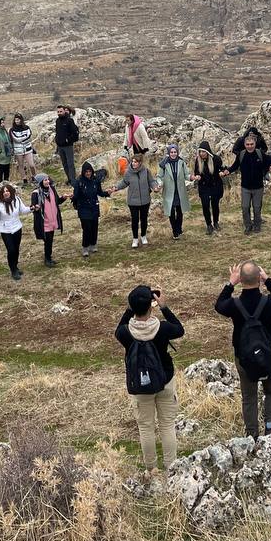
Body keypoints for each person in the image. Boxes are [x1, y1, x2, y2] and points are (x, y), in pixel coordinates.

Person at [214, 261, 271, 438]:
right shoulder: (269, 302)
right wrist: (268, 280)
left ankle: (251, 434)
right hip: (270, 352)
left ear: (241, 279)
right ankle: (270, 428)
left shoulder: (234, 305)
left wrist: (230, 284)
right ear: (259, 278)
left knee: (249, 396)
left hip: (244, 355)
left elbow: (219, 305)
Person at [115, 284, 184, 473]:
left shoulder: (125, 333)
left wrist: (131, 307)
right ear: (151, 305)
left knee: (146, 427)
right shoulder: (162, 328)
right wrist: (164, 306)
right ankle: (171, 467)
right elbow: (180, 329)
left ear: (131, 307)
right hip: (165, 380)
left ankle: (151, 469)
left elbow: (119, 327)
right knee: (167, 425)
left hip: (140, 385)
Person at [225, 133, 269, 234]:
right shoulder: (241, 154)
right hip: (245, 187)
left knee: (257, 208)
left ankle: (257, 225)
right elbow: (235, 166)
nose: (250, 146)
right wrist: (228, 171)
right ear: (244, 145)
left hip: (258, 187)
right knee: (245, 207)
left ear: (255, 144)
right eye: (248, 144)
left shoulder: (260, 153)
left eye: (251, 144)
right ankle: (248, 226)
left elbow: (268, 161)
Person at [0, 182, 33, 280]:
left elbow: (23, 210)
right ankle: (13, 270)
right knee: (11, 250)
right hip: (5, 230)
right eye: (4, 191)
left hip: (17, 228)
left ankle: (16, 267)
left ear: (11, 192)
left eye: (7, 191)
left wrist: (31, 208)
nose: (6, 193)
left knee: (16, 249)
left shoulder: (17, 200)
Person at [115, 154, 158, 248]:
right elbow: (124, 183)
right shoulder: (128, 172)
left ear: (140, 163)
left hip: (145, 200)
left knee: (144, 219)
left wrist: (155, 187)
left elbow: (151, 181)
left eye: (136, 162)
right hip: (133, 201)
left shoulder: (146, 171)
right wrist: (116, 188)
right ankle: (135, 239)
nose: (133, 163)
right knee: (135, 220)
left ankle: (143, 236)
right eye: (132, 161)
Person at [71, 161, 111, 256]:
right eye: (86, 172)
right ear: (83, 172)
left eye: (89, 171)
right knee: (86, 228)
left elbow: (100, 192)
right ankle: (85, 247)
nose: (88, 173)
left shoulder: (95, 180)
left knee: (94, 227)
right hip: (83, 208)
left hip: (94, 207)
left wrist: (108, 193)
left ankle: (93, 244)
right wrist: (72, 199)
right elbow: (75, 195)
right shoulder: (79, 182)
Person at [157, 144, 191, 240]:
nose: (173, 154)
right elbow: (159, 177)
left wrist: (192, 177)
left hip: (180, 191)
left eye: (175, 152)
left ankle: (179, 228)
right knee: (171, 212)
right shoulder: (164, 164)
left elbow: (186, 175)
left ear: (177, 152)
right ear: (168, 153)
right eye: (171, 152)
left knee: (180, 211)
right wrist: (160, 183)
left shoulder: (181, 162)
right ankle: (174, 231)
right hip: (169, 191)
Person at [191, 141, 224, 234]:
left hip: (215, 185)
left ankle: (216, 222)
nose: (201, 154)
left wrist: (222, 172)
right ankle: (209, 225)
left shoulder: (216, 159)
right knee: (205, 205)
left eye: (203, 152)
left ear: (208, 152)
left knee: (215, 205)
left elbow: (222, 168)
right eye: (200, 152)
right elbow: (196, 172)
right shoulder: (198, 161)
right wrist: (197, 176)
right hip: (204, 186)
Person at [31, 173, 64, 267]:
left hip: (52, 220)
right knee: (48, 240)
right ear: (40, 182)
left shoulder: (52, 189)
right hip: (44, 222)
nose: (47, 181)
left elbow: (57, 201)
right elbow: (33, 207)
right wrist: (35, 207)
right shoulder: (35, 193)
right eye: (45, 180)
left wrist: (63, 198)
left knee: (50, 240)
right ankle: (47, 259)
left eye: (48, 179)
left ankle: (48, 257)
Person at [55, 105, 80, 184]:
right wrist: (57, 141)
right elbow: (57, 133)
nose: (59, 113)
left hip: (68, 146)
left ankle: (73, 180)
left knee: (70, 163)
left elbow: (75, 134)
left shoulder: (69, 121)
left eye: (61, 111)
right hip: (60, 146)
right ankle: (69, 179)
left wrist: (68, 140)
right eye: (58, 112)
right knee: (64, 164)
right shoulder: (57, 121)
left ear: (64, 111)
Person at [9, 114, 36, 184]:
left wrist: (21, 140)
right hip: (18, 150)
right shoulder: (12, 130)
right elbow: (16, 139)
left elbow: (29, 137)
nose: (17, 121)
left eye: (18, 119)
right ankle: (24, 179)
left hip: (28, 149)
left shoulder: (27, 127)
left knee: (31, 165)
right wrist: (24, 139)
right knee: (21, 165)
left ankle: (34, 177)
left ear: (21, 120)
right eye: (16, 120)